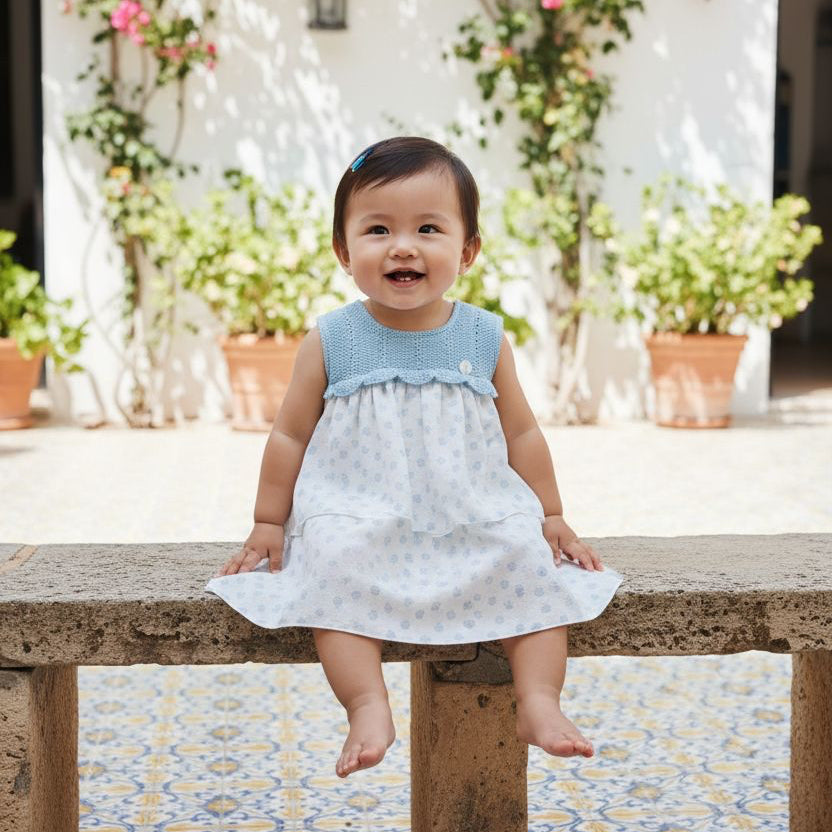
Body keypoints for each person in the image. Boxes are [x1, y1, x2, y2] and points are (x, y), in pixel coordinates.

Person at [205, 136, 624, 780]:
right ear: (344, 251)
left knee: (527, 560)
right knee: (331, 566)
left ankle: (540, 699)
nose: (403, 246)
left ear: (468, 250)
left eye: (428, 228)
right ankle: (366, 704)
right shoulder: (333, 338)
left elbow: (522, 433)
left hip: (470, 509)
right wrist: (268, 521)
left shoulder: (483, 335)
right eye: (378, 230)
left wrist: (551, 514)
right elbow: (288, 434)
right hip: (361, 509)